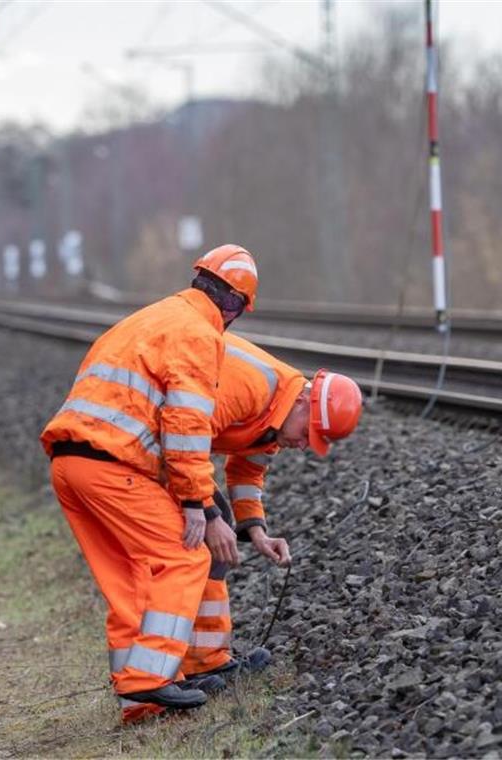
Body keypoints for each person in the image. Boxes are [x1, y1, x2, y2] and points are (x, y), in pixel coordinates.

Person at [39, 244, 258, 721]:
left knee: (129, 579)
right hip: (112, 465)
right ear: (235, 305)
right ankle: (150, 678)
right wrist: (198, 501)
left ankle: (137, 705)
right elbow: (185, 424)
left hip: (69, 465)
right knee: (183, 555)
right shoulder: (199, 334)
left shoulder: (154, 317)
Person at [122, 333, 364, 722]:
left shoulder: (280, 414)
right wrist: (206, 513)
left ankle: (207, 662)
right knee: (188, 544)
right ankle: (167, 673)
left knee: (211, 535)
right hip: (146, 442)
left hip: (173, 451)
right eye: (308, 433)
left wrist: (256, 531)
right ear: (304, 402)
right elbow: (185, 434)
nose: (303, 444)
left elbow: (248, 467)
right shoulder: (252, 387)